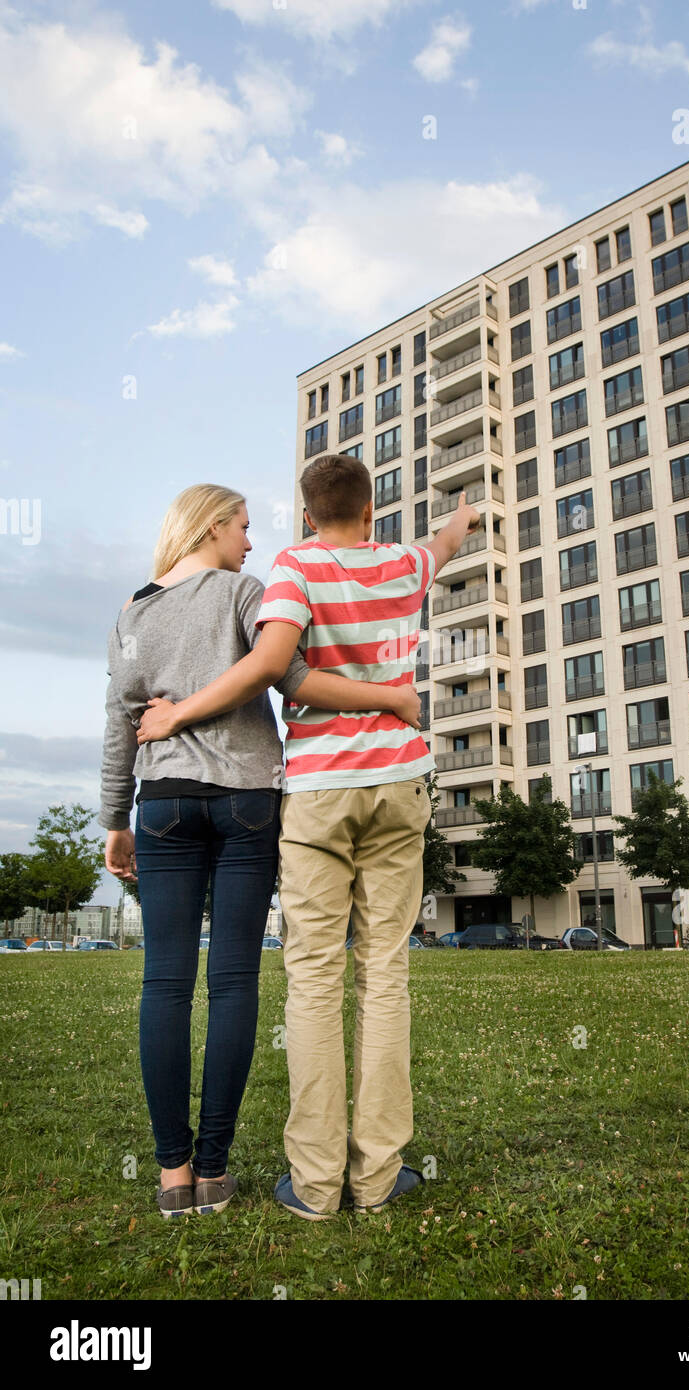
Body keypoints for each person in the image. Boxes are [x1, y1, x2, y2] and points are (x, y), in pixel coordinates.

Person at [136, 455, 480, 1218]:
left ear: (306, 514)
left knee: (315, 979)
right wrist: (464, 516)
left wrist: (174, 715)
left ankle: (318, 1185)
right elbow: (445, 543)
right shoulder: (400, 562)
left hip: (319, 792)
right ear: (369, 513)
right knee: (384, 974)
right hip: (398, 785)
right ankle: (378, 1177)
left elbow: (271, 664)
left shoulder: (292, 569)